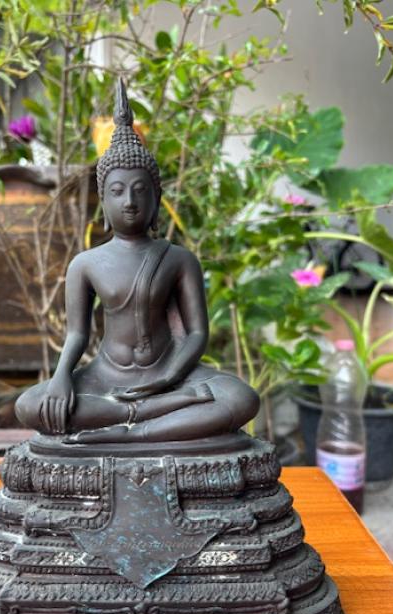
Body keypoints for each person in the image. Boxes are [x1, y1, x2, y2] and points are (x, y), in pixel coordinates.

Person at [15, 79, 259, 443]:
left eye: (140, 190)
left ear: (156, 199)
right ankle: (141, 415)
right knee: (30, 405)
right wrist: (62, 376)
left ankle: (135, 432)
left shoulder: (178, 259)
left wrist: (170, 376)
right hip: (106, 376)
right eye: (117, 191)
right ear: (104, 201)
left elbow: (197, 333)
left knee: (242, 398)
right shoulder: (85, 263)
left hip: (169, 373)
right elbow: (77, 334)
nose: (129, 201)